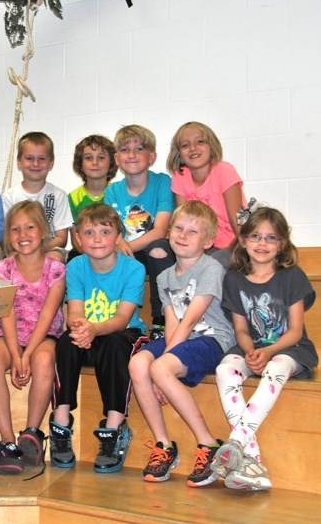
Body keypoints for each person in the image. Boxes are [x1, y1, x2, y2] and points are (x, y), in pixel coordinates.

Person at [128, 200, 235, 487]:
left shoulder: (210, 268)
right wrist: (156, 368)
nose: (183, 235)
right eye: (178, 228)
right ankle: (164, 445)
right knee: (138, 363)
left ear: (209, 241)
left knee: (160, 369)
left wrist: (161, 373)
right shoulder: (163, 276)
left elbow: (190, 320)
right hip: (181, 337)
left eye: (193, 231)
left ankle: (208, 444)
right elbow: (172, 321)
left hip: (211, 338)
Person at [211, 206, 317, 491]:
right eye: (255, 236)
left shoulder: (293, 276)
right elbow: (241, 329)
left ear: (282, 244)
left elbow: (295, 331)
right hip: (251, 347)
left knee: (275, 366)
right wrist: (249, 351)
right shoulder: (234, 278)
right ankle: (251, 462)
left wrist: (268, 352)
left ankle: (236, 441)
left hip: (290, 350)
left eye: (271, 238)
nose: (262, 244)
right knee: (224, 370)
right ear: (243, 240)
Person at [49, 204, 146, 473]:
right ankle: (60, 423)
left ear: (118, 237)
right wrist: (80, 328)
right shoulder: (77, 265)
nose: (97, 238)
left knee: (114, 343)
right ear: (77, 239)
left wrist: (92, 330)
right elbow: (75, 311)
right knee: (66, 342)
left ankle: (114, 427)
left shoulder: (133, 269)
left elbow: (122, 319)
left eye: (105, 231)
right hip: (87, 333)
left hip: (121, 334)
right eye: (89, 232)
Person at [0, 201, 66, 474]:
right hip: (9, 336)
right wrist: (15, 354)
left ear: (43, 230)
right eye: (15, 229)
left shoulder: (55, 269)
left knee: (44, 359)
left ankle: (31, 434)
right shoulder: (2, 269)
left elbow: (47, 316)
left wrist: (27, 354)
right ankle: (8, 442)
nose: (23, 234)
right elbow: (5, 314)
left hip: (43, 336)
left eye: (30, 227)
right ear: (8, 235)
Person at [106, 125, 175, 338]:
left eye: (139, 149)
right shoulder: (112, 191)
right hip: (127, 253)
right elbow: (110, 229)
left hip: (150, 251)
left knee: (159, 248)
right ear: (117, 159)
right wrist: (118, 244)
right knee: (103, 253)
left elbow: (160, 230)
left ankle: (160, 319)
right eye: (125, 150)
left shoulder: (163, 182)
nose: (132, 155)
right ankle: (113, 317)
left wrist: (124, 245)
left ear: (151, 156)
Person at [167, 122, 247, 266]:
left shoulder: (224, 171)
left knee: (211, 265)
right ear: (178, 153)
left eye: (200, 142)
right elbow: (185, 219)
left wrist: (245, 247)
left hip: (232, 243)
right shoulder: (180, 176)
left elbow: (238, 219)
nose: (193, 148)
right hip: (199, 245)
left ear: (212, 146)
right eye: (185, 145)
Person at [1, 132, 74, 259]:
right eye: (29, 158)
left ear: (51, 163)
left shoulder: (59, 196)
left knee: (55, 257)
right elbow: (6, 238)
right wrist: (26, 250)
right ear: (19, 162)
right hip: (19, 248)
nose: (35, 164)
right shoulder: (9, 197)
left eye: (42, 159)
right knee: (9, 260)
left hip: (48, 250)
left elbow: (61, 238)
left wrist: (36, 250)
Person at [67, 134, 118, 260]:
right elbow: (76, 239)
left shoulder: (118, 192)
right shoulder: (73, 197)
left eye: (101, 157)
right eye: (88, 158)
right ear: (80, 163)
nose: (95, 163)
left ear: (111, 162)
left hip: (114, 251)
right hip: (84, 252)